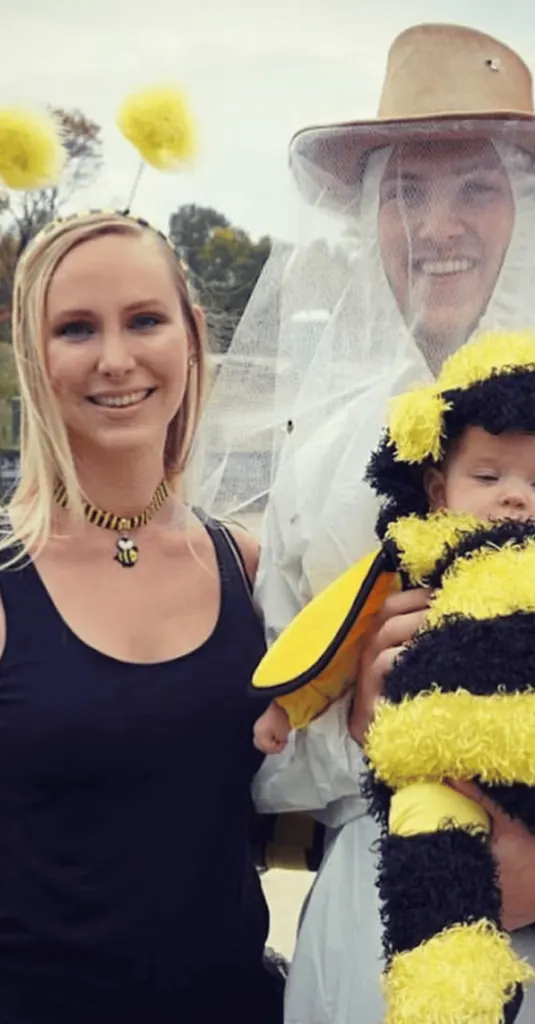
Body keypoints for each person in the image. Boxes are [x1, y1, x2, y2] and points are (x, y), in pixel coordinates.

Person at [196, 23, 535, 1024]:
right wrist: (360, 729)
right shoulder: (322, 449)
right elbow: (273, 744)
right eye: (403, 193)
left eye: (474, 187)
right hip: (383, 927)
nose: (435, 225)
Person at [0, 209, 282, 1023]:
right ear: (34, 356)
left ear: (191, 339)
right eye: (77, 328)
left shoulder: (251, 568)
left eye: (145, 320)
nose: (116, 359)